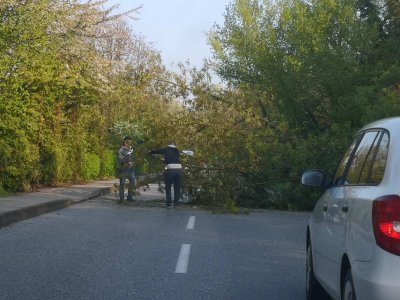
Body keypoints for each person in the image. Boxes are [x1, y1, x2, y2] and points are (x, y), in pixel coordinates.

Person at [150, 141, 182, 208]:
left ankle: (169, 204)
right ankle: (176, 204)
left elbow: (157, 151)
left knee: (168, 187)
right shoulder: (177, 151)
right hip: (179, 169)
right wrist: (164, 160)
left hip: (170, 169)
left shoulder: (166, 149)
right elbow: (173, 159)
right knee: (177, 187)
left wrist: (151, 151)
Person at [117, 136, 136, 203]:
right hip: (123, 169)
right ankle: (121, 198)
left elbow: (135, 158)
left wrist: (133, 162)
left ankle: (129, 196)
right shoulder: (121, 150)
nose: (129, 143)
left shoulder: (132, 149)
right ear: (125, 142)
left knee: (133, 182)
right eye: (128, 141)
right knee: (122, 183)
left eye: (130, 142)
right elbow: (120, 160)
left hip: (131, 169)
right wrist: (127, 161)